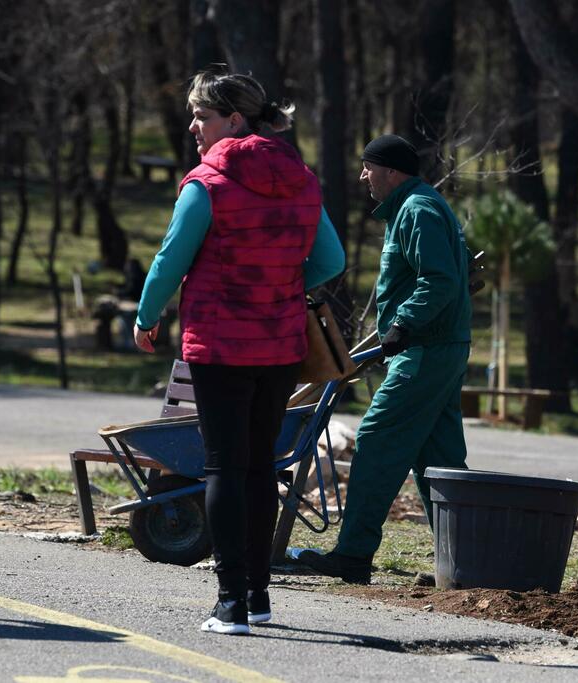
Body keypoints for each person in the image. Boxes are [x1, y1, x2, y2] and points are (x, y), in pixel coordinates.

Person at [133, 68, 344, 635]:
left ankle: (228, 604)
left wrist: (146, 317)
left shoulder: (206, 184)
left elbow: (169, 260)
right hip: (279, 345)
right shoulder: (302, 179)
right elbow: (330, 261)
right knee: (259, 467)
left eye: (201, 115)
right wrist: (279, 282)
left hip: (220, 345)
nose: (193, 127)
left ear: (234, 120)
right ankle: (257, 596)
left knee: (223, 466)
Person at [301, 135, 472, 584]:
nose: (362, 176)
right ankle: (466, 563)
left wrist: (404, 324)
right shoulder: (421, 207)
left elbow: (439, 280)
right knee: (440, 458)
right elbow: (453, 274)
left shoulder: (417, 209)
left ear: (391, 171)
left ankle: (353, 554)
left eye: (368, 167)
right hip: (438, 346)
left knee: (376, 439)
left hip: (425, 349)